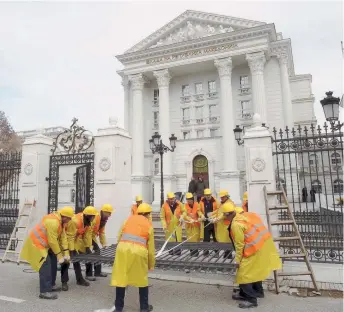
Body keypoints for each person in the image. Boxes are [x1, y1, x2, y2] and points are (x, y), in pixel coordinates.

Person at [222, 202, 282, 309]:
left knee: (244, 274)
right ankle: (257, 292)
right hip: (261, 246)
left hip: (252, 250)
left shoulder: (236, 224)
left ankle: (251, 299)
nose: (224, 218)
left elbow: (239, 245)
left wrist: (238, 260)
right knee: (254, 271)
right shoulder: (244, 216)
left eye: (224, 215)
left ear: (228, 215)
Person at [20, 206, 74, 299]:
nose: (69, 221)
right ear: (65, 217)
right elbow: (53, 241)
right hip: (37, 244)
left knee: (53, 262)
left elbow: (63, 237)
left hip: (46, 245)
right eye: (69, 218)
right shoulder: (53, 222)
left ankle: (51, 285)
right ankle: (44, 291)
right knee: (45, 264)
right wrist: (60, 256)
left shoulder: (61, 222)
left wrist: (66, 253)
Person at [110, 203, 155, 312]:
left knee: (121, 278)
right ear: (148, 214)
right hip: (139, 251)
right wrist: (151, 264)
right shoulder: (148, 225)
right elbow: (151, 249)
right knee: (142, 279)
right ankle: (144, 307)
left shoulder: (128, 220)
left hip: (122, 249)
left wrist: (121, 247)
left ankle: (118, 308)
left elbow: (119, 236)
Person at [67, 206, 98, 286]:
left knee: (85, 255)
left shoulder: (87, 222)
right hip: (66, 240)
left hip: (75, 239)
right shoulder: (75, 221)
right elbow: (70, 236)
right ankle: (67, 281)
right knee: (67, 261)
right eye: (93, 216)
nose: (94, 218)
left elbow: (86, 235)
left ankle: (82, 278)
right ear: (88, 216)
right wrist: (72, 249)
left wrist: (88, 247)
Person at [85, 203, 114, 280]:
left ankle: (97, 272)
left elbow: (101, 232)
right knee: (89, 254)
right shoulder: (96, 217)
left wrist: (104, 244)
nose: (110, 215)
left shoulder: (103, 220)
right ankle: (88, 274)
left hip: (91, 237)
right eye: (109, 213)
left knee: (97, 252)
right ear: (104, 212)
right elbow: (88, 231)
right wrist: (89, 245)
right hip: (86, 237)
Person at [212, 190, 233, 258]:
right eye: (221, 197)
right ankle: (226, 254)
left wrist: (217, 219)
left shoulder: (229, 203)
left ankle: (228, 255)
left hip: (226, 225)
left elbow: (225, 214)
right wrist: (212, 215)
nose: (221, 198)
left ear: (227, 197)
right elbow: (219, 211)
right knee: (223, 240)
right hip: (222, 225)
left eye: (223, 197)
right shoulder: (222, 203)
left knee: (227, 240)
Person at [183, 192, 205, 256]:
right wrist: (189, 219)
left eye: (190, 199)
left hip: (196, 225)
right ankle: (192, 252)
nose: (189, 200)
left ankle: (196, 252)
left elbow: (199, 212)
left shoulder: (197, 204)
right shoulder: (185, 206)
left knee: (196, 239)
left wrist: (201, 216)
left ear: (192, 199)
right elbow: (185, 215)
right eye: (188, 199)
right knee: (190, 239)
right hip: (189, 226)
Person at [199, 188, 218, 256]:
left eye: (209, 195)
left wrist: (213, 215)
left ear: (211, 194)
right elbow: (199, 210)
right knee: (206, 238)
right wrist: (201, 215)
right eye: (206, 195)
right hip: (206, 222)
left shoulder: (215, 201)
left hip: (214, 222)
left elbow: (219, 210)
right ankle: (206, 252)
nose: (208, 196)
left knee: (215, 238)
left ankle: (216, 253)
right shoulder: (201, 202)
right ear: (204, 195)